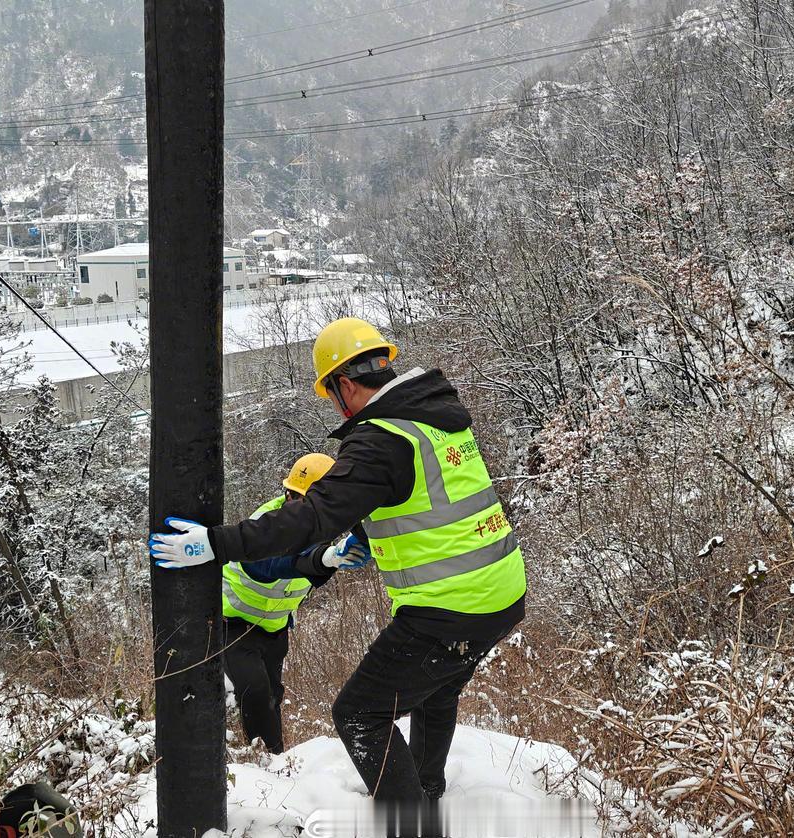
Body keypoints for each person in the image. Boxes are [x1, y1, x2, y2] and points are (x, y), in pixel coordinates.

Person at [150, 317, 526, 833]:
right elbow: (432, 496)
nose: (334, 405)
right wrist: (365, 537)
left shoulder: (382, 439)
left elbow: (311, 517)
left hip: (449, 606)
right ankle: (426, 793)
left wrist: (215, 544)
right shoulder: (436, 420)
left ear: (344, 385)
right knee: (436, 689)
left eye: (331, 394)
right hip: (501, 593)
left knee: (360, 713)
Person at [218, 452, 351, 754]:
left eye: (305, 500)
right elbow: (268, 566)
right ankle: (266, 762)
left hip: (275, 627)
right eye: (293, 496)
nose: (295, 504)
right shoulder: (266, 525)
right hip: (234, 623)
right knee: (254, 690)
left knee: (271, 696)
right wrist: (322, 560)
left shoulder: (325, 527)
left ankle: (273, 761)